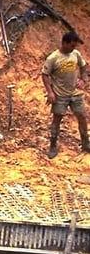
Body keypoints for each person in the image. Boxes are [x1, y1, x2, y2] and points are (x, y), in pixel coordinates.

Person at [41, 30, 89, 159]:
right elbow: (45, 75)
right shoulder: (53, 58)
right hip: (60, 94)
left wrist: (83, 79)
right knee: (57, 119)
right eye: (72, 45)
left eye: (75, 46)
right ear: (64, 43)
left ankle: (85, 143)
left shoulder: (76, 54)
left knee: (82, 116)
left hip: (75, 93)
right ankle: (52, 145)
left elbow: (84, 66)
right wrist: (50, 92)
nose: (73, 48)